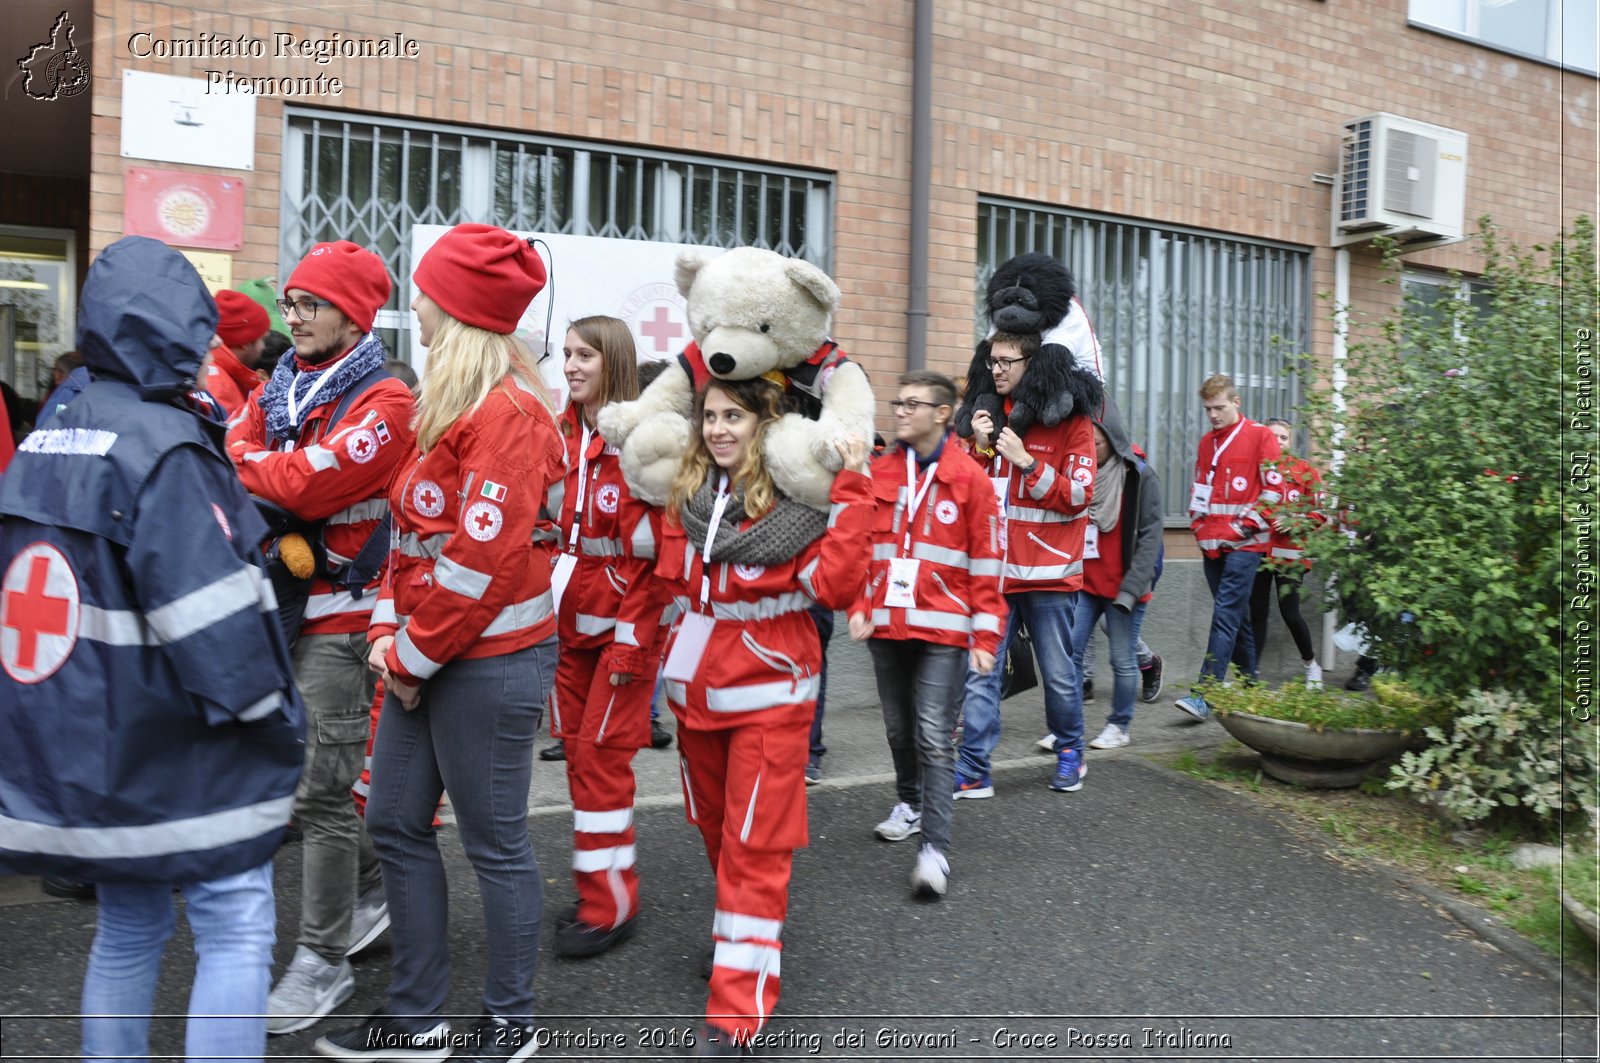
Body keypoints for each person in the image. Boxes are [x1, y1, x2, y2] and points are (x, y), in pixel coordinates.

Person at [0, 235, 303, 1062]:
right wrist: (275, 724)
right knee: (236, 918)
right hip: (176, 745)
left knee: (130, 926)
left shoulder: (46, 436)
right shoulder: (164, 448)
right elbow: (219, 633)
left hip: (85, 746)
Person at [315, 223, 560, 1062]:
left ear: (456, 308)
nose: (411, 305)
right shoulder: (449, 404)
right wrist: (390, 630)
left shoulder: (513, 416)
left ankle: (511, 1022)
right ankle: (417, 1017)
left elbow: (480, 563)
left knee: (495, 844)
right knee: (393, 820)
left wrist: (408, 659)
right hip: (428, 653)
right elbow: (412, 540)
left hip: (487, 664)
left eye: (424, 292)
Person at [227, 240, 415, 1033]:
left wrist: (256, 459)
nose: (294, 317)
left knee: (319, 794)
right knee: (313, 786)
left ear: (353, 314)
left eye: (311, 304)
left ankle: (322, 962)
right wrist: (261, 456)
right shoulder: (282, 385)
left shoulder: (390, 400)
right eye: (292, 302)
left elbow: (308, 478)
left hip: (343, 617)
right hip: (287, 605)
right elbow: (232, 448)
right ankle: (373, 892)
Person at [657, 376, 870, 1056]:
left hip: (772, 695)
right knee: (717, 830)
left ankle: (738, 1009)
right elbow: (669, 582)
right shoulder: (689, 494)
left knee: (754, 846)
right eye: (711, 415)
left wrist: (857, 487)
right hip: (697, 696)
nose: (720, 428)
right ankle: (741, 938)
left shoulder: (798, 499)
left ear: (764, 422)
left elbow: (835, 585)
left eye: (735, 416)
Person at [849, 370, 1005, 897]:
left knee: (933, 735)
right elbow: (858, 546)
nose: (901, 410)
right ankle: (910, 803)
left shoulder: (970, 479)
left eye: (914, 404)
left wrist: (986, 636)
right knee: (898, 729)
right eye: (899, 402)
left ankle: (934, 850)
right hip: (887, 624)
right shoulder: (879, 471)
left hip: (943, 627)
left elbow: (987, 559)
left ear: (943, 413)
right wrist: (858, 603)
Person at [547, 315, 672, 959]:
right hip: (571, 634)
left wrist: (631, 640)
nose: (570, 366)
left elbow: (654, 560)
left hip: (623, 639)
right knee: (578, 759)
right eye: (567, 354)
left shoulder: (639, 443)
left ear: (613, 363)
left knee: (598, 761)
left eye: (585, 356)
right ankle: (603, 883)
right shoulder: (564, 435)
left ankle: (610, 903)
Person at [954, 330, 1099, 797]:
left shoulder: (1072, 422)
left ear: (1030, 364)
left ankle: (1071, 753)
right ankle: (974, 767)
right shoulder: (989, 417)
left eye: (1006, 362)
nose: (995, 370)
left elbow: (1079, 497)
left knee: (1059, 675)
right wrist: (979, 450)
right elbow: (964, 498)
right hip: (994, 574)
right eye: (992, 361)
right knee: (982, 672)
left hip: (1049, 576)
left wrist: (1026, 463)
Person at [1174, 374, 1282, 721]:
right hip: (1212, 546)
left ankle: (1205, 694)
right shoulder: (1208, 442)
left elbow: (1273, 493)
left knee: (1224, 616)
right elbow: (1200, 489)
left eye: (1219, 407)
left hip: (1246, 546)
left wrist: (1240, 529)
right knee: (1238, 620)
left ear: (1236, 402)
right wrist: (1198, 525)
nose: (1213, 415)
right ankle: (1253, 691)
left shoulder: (1261, 436)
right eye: (1208, 409)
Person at [1070, 397, 1163, 750]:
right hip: (1086, 585)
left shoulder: (1140, 476)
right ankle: (1068, 728)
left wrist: (1131, 589)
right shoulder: (1082, 474)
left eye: (1097, 439)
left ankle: (1119, 726)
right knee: (1070, 654)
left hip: (1124, 588)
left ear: (1114, 435)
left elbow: (1151, 537)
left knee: (1122, 659)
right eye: (1086, 439)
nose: (1090, 445)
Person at [1255, 417, 1328, 688]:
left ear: (1291, 441)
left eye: (1283, 437)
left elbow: (1320, 512)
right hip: (1259, 553)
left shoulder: (1305, 470)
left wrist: (1292, 523)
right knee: (1256, 613)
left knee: (1290, 614)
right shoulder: (1256, 470)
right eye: (1272, 436)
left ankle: (1311, 666)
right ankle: (1249, 674)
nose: (1278, 441)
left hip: (1290, 554)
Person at [207, 289, 272, 418]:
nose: (263, 347)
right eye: (262, 339)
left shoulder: (221, 376)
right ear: (244, 343)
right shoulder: (219, 387)